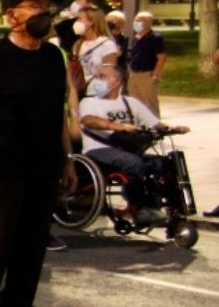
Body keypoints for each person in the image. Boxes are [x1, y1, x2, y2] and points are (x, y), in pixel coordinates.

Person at [0, 0, 75, 307]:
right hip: (4, 166)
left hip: (44, 164)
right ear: (11, 15)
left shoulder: (52, 57)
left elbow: (58, 112)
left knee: (32, 246)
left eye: (47, 7)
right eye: (35, 6)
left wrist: (67, 161)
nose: (44, 13)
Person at [78, 62, 188, 217]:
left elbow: (154, 123)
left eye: (101, 76)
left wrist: (172, 129)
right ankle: (139, 207)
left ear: (117, 81)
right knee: (133, 162)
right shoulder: (89, 102)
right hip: (98, 149)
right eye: (96, 76)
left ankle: (161, 206)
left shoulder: (130, 103)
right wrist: (118, 126)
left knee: (162, 163)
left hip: (126, 148)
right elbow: (88, 121)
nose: (96, 79)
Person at [69, 2, 119, 95]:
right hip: (80, 91)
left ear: (91, 22)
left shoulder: (106, 44)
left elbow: (109, 72)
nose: (76, 22)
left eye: (80, 19)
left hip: (98, 93)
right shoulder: (77, 44)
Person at [126, 11, 167, 114]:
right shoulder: (136, 37)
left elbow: (162, 56)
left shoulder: (155, 38)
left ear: (148, 22)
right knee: (135, 101)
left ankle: (154, 124)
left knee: (149, 101)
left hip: (147, 73)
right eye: (136, 20)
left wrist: (156, 74)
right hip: (134, 74)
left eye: (140, 20)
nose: (136, 22)